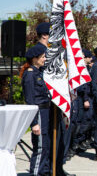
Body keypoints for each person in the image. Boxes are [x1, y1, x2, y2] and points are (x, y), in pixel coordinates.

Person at [21, 23, 51, 176]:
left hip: (45, 111)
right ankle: (36, 173)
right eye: (42, 57)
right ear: (34, 58)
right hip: (38, 113)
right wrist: (34, 123)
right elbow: (31, 100)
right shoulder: (30, 74)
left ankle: (44, 172)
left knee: (45, 146)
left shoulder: (39, 73)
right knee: (39, 148)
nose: (45, 59)